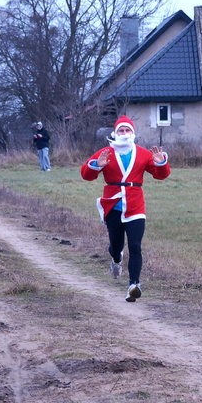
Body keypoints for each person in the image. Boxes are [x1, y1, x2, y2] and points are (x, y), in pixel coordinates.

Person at [80, 115, 170, 302]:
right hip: (113, 204)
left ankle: (134, 285)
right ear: (115, 133)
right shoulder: (105, 152)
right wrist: (96, 165)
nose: (124, 133)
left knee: (135, 246)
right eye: (121, 130)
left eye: (128, 130)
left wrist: (161, 162)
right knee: (116, 245)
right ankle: (116, 258)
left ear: (133, 133)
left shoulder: (143, 154)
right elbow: (86, 175)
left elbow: (161, 175)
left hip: (136, 205)